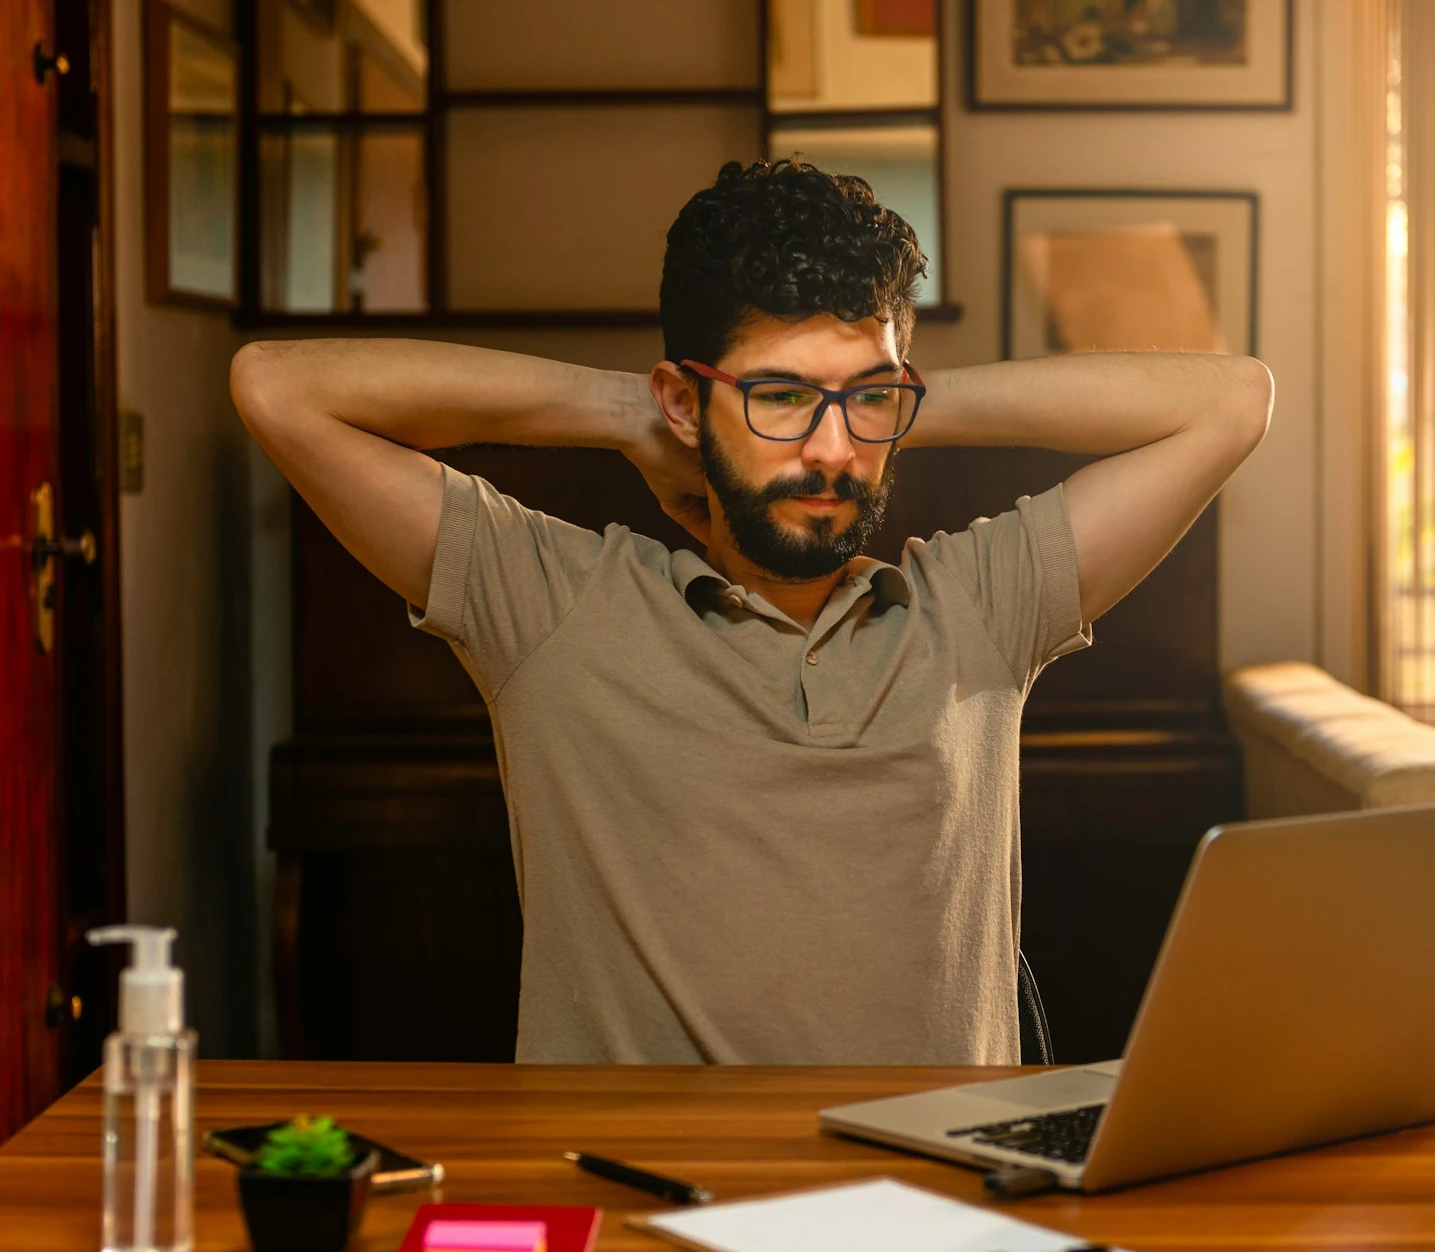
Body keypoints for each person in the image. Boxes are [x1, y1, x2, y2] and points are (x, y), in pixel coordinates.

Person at [231, 159, 1271, 1065]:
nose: (829, 452)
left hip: (928, 1214)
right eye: (778, 397)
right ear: (687, 401)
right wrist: (624, 415)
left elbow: (1232, 400)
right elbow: (276, 387)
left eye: (866, 400)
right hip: (644, 1210)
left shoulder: (981, 602)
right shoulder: (550, 602)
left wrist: (900, 404)